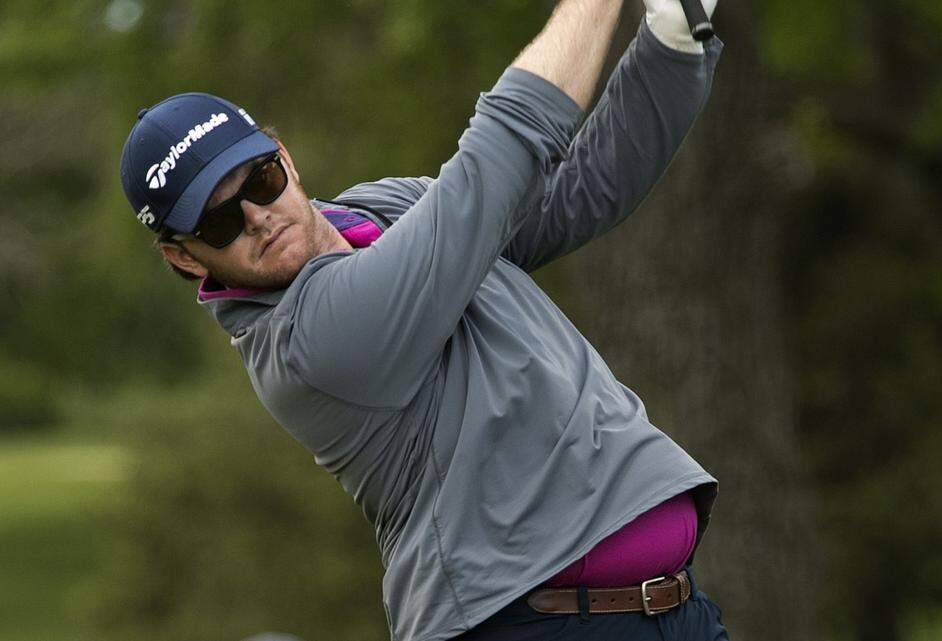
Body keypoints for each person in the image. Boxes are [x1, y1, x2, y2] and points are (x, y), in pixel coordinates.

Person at [118, 0, 726, 639]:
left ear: (286, 159)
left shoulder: (384, 208)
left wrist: (671, 39)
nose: (257, 217)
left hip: (674, 611)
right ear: (184, 257)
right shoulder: (304, 344)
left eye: (261, 180)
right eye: (218, 220)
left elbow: (577, 192)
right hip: (532, 626)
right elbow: (503, 153)